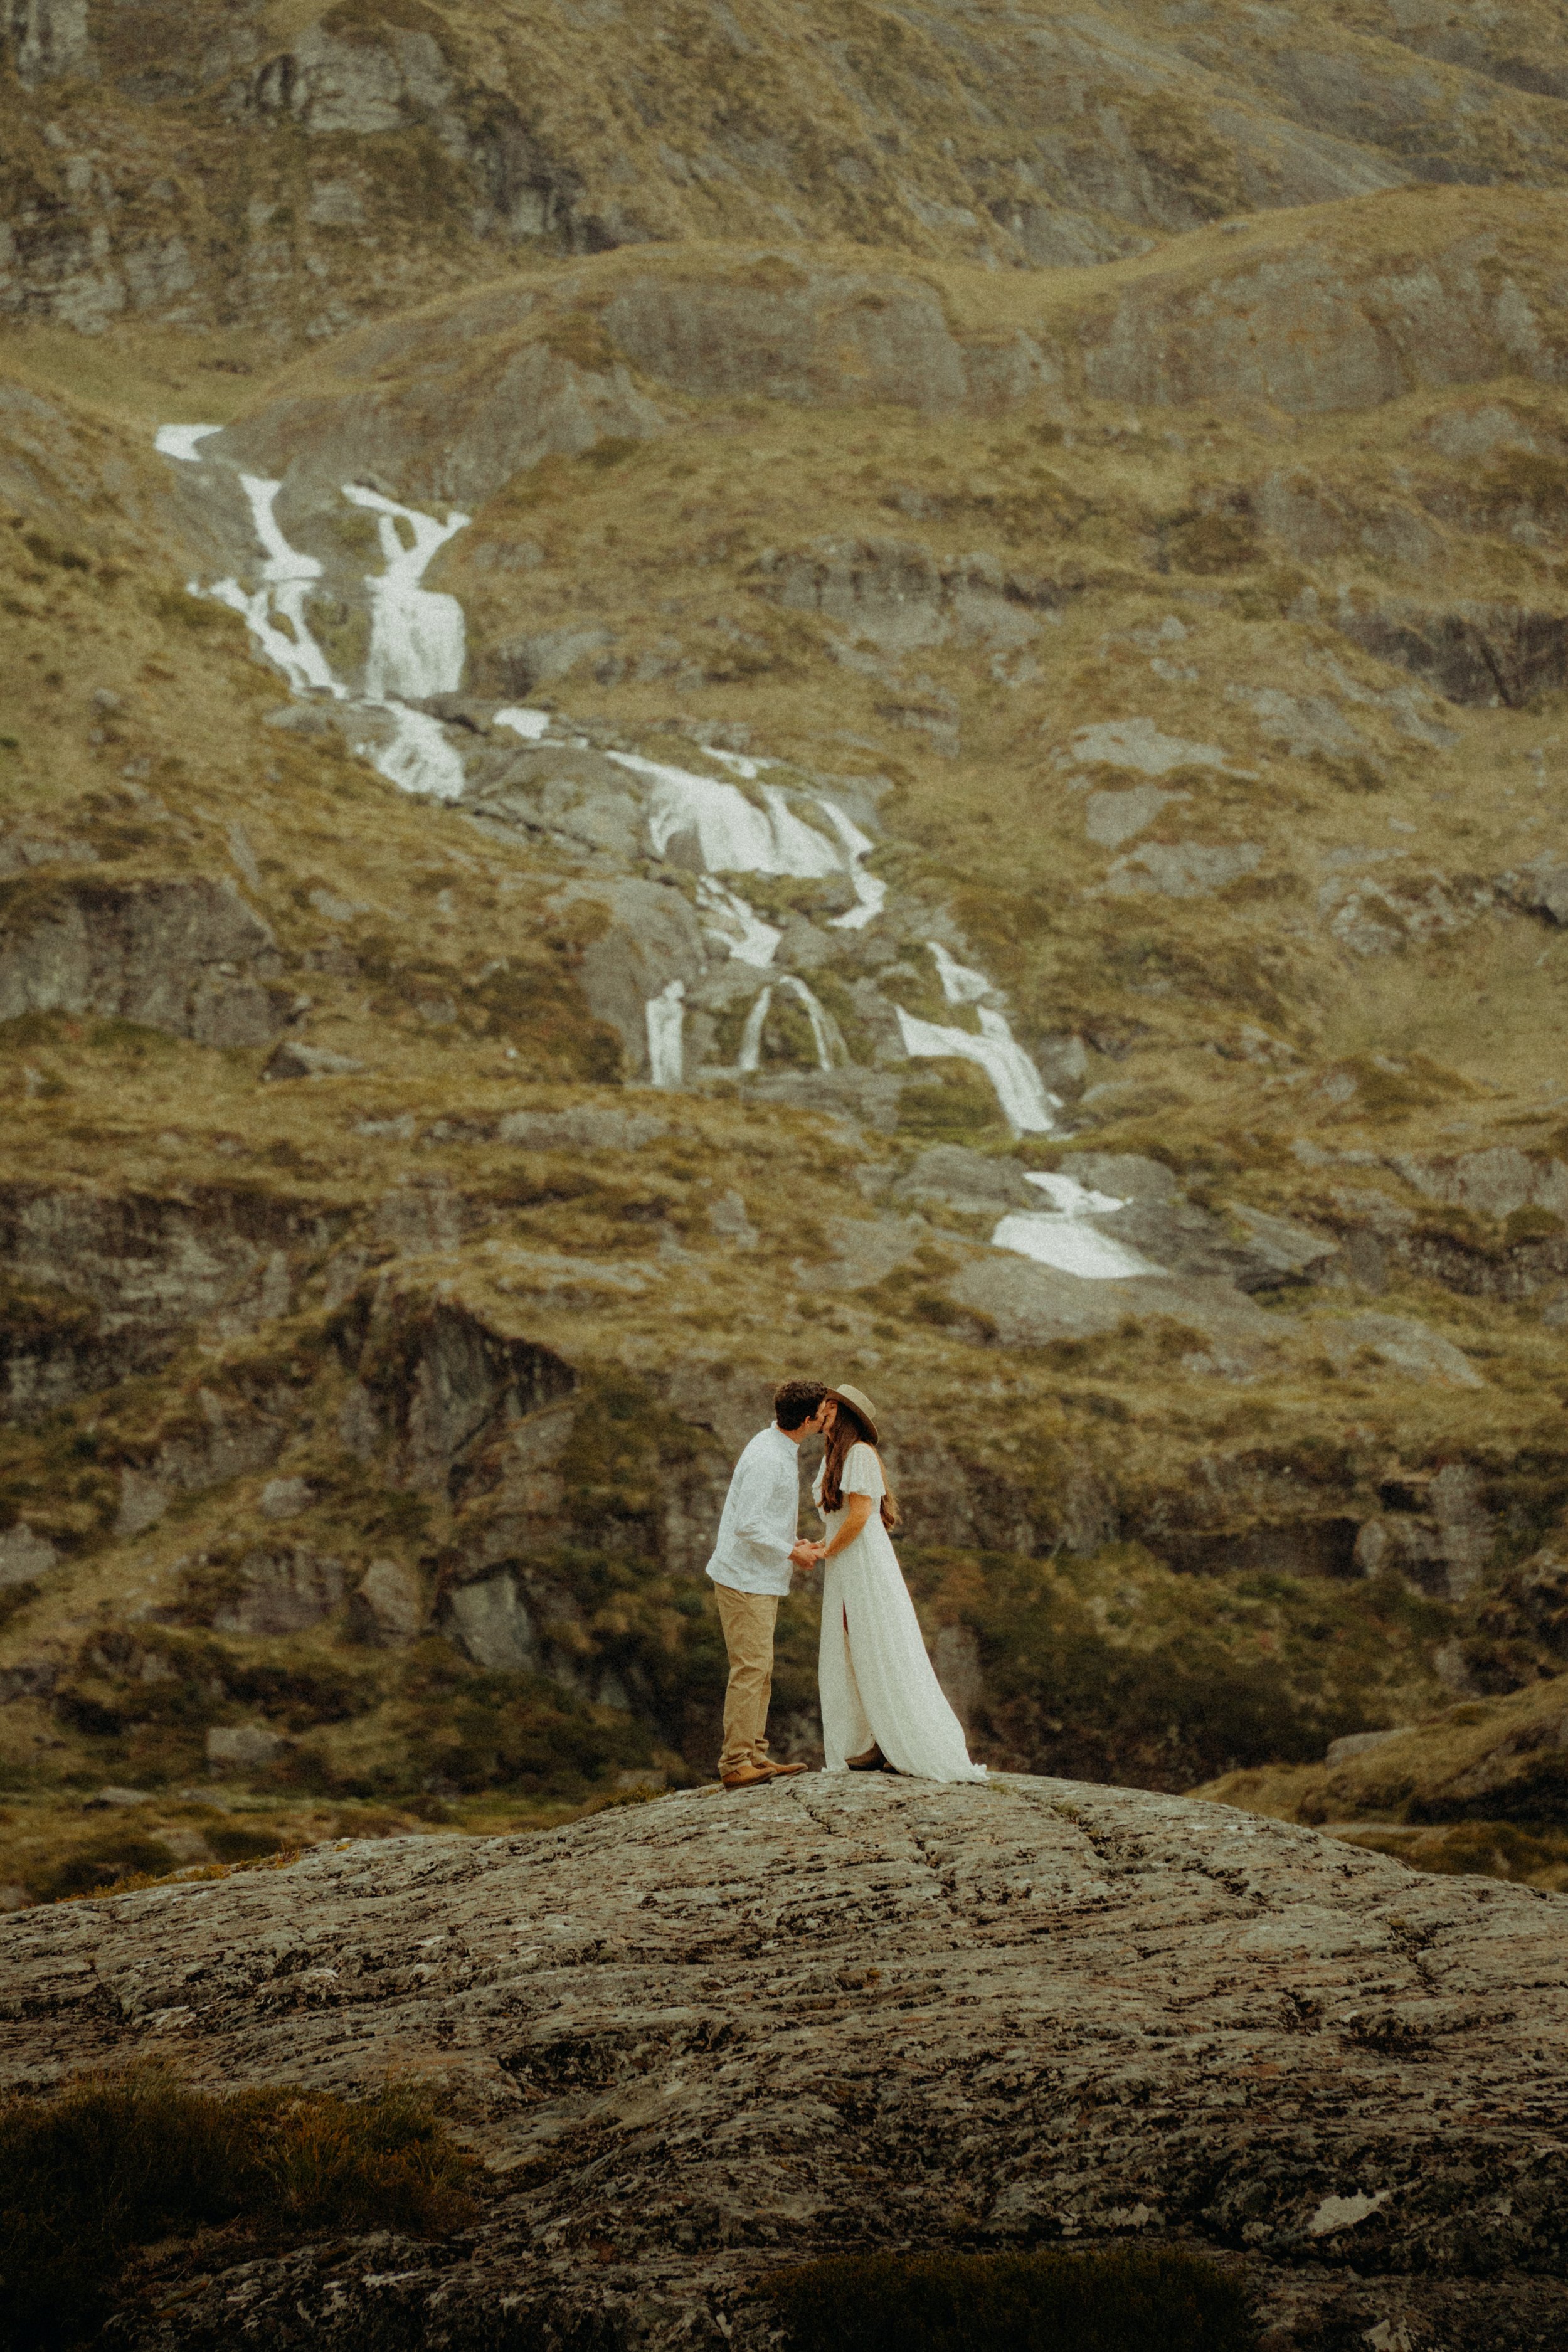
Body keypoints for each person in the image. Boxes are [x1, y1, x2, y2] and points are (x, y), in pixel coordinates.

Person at [814, 1383, 986, 1783]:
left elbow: (860, 1516)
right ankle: (880, 1738)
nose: (824, 1410)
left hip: (863, 1560)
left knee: (877, 1644)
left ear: (845, 1415)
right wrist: (821, 1545)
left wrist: (826, 1552)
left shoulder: (859, 1454)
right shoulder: (834, 1457)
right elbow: (840, 1521)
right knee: (855, 1646)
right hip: (846, 1561)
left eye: (832, 1406)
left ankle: (901, 1740)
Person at [706, 1378, 827, 1789]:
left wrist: (792, 1543)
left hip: (758, 1576)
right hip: (745, 1579)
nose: (825, 1420)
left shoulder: (777, 1447)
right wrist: (793, 1553)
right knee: (751, 1668)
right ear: (807, 1420)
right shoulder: (768, 1457)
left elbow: (761, 1520)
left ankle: (754, 1753)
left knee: (761, 1668)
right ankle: (735, 1761)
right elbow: (747, 1524)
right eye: (822, 1414)